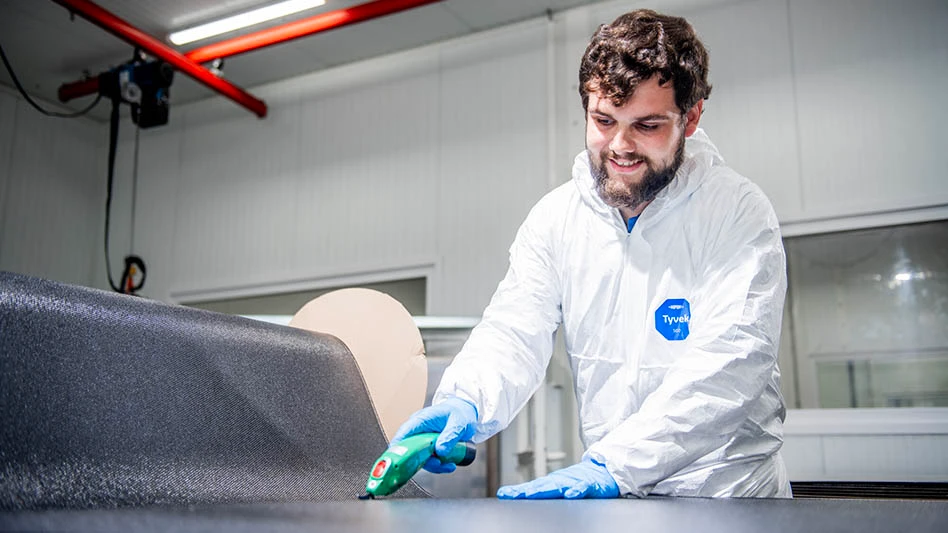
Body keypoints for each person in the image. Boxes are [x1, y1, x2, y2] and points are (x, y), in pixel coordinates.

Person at [392, 9, 791, 499]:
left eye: (646, 125)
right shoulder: (556, 219)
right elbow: (514, 331)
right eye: (604, 120)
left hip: (730, 497)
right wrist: (465, 400)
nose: (620, 147)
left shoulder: (735, 211)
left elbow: (732, 363)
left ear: (690, 119)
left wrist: (613, 465)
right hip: (617, 500)